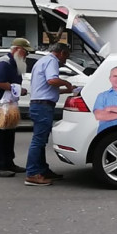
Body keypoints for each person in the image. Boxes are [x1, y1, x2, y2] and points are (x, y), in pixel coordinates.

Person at [25, 42, 74, 186]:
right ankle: (32, 173)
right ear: (61, 53)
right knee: (38, 141)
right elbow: (52, 80)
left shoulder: (42, 61)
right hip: (43, 106)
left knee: (41, 140)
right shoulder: (52, 61)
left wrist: (66, 91)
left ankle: (42, 170)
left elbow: (46, 88)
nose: (65, 61)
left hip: (39, 104)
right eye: (66, 57)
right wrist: (66, 83)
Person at [0, 38, 33, 178]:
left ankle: (8, 163)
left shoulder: (14, 63)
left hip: (8, 105)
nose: (26, 55)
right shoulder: (4, 63)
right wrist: (17, 89)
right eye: (25, 52)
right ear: (17, 49)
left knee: (8, 136)